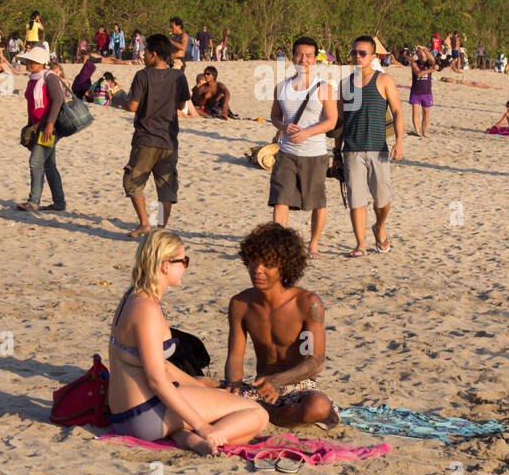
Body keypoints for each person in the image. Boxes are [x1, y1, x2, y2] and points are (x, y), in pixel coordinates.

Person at [107, 230, 268, 453]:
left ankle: (184, 436)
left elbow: (160, 365)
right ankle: (205, 438)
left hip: (122, 413)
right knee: (257, 415)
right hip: (143, 414)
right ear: (165, 266)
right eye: (184, 261)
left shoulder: (132, 297)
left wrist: (199, 384)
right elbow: (156, 380)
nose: (185, 267)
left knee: (217, 396)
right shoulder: (147, 309)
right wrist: (202, 427)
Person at [223, 223, 340, 427]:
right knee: (198, 383)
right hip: (259, 388)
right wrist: (233, 386)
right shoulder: (240, 304)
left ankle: (267, 416)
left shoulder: (307, 304)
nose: (257, 270)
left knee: (319, 406)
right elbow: (235, 356)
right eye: (253, 261)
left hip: (298, 387)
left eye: (267, 264)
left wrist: (277, 381)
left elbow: (315, 361)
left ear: (284, 266)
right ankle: (264, 412)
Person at [268, 37, 337, 259]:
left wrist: (307, 132)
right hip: (287, 153)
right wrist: (284, 126)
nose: (303, 60)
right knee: (281, 198)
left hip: (314, 154)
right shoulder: (282, 86)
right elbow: (275, 117)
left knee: (317, 201)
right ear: (292, 56)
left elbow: (331, 121)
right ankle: (278, 246)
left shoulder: (325, 87)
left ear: (315, 59)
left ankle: (313, 244)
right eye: (299, 55)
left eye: (309, 56)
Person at [119, 33, 191, 237]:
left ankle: (144, 223)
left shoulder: (142, 76)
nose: (143, 56)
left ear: (153, 54)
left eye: (146, 52)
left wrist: (120, 102)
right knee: (166, 187)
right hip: (169, 140)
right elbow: (182, 105)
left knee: (133, 182)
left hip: (146, 138)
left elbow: (133, 106)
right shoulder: (178, 76)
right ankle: (160, 229)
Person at [340, 36, 404, 257]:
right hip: (351, 149)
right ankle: (360, 244)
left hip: (378, 148)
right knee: (356, 199)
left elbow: (397, 111)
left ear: (373, 57)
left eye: (362, 53)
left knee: (382, 199)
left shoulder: (384, 80)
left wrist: (399, 141)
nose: (357, 56)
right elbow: (341, 121)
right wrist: (336, 152)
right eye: (354, 52)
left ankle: (379, 227)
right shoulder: (345, 83)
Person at [15, 45, 66, 213]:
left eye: (32, 61)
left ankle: (34, 201)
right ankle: (59, 203)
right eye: (28, 61)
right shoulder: (33, 79)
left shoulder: (49, 77)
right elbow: (32, 105)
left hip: (51, 127)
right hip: (40, 126)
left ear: (41, 62)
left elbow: (58, 100)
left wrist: (50, 125)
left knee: (35, 162)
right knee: (49, 165)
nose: (29, 64)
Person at [409, 45, 436, 137]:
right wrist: (432, 70)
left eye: (423, 52)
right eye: (419, 52)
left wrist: (425, 49)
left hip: (427, 92)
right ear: (417, 54)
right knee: (415, 112)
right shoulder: (414, 63)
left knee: (426, 113)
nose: (422, 54)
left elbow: (432, 60)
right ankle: (417, 132)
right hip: (415, 92)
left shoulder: (428, 62)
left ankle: (424, 133)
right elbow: (418, 74)